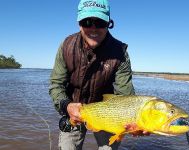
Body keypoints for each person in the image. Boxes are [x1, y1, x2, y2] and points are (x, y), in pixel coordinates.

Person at [49, 0, 148, 149]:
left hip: (108, 114)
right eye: (87, 22)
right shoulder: (66, 46)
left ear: (109, 23)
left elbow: (126, 95)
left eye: (100, 22)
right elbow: (56, 85)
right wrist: (66, 105)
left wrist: (136, 120)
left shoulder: (120, 53)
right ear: (79, 24)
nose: (93, 28)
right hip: (74, 110)